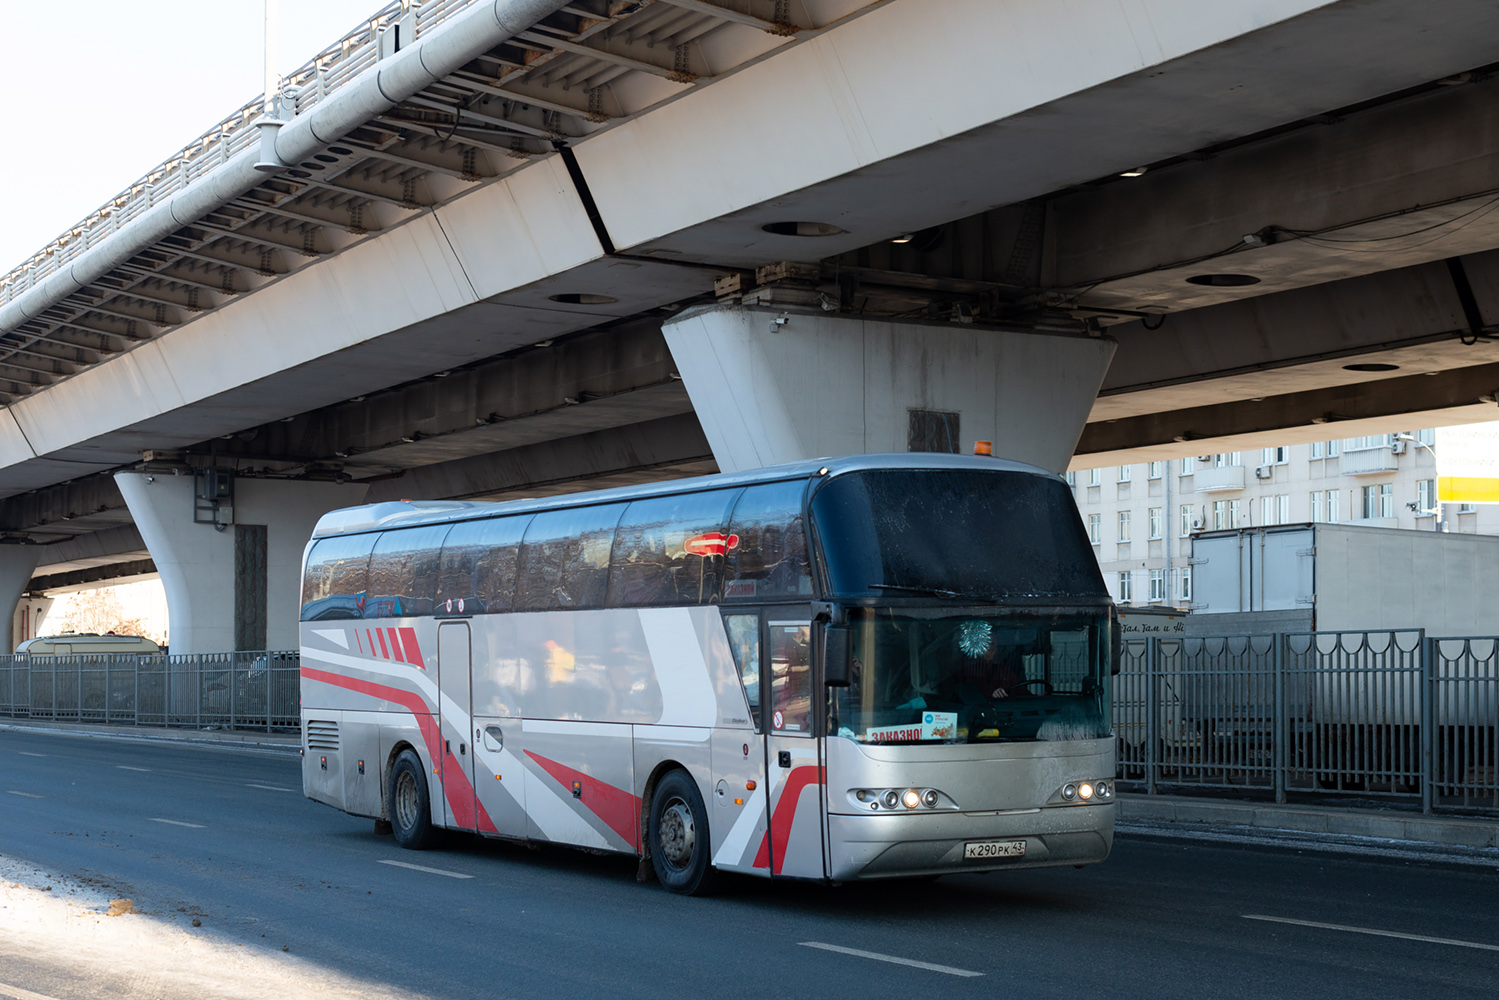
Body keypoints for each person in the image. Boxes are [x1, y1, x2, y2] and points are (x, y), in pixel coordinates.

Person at [953, 620, 1024, 700]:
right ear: (976, 644)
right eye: (987, 642)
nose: (991, 645)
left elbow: (1020, 689)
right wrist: (992, 693)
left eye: (993, 642)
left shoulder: (1003, 667)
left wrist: (1037, 697)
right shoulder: (967, 668)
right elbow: (968, 691)